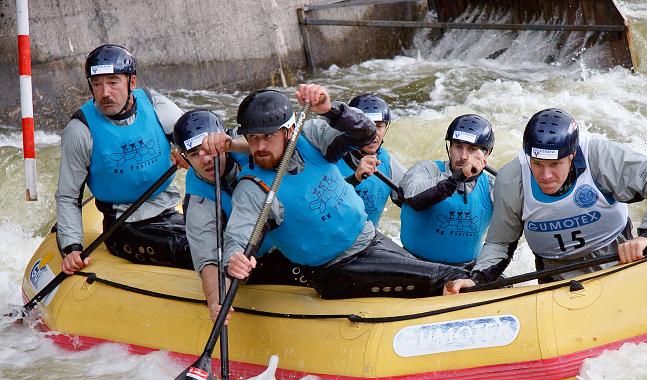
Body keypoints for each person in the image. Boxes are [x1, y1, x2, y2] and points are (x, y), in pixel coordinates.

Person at [200, 84, 469, 299]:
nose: (260, 147)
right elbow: (238, 237)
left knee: (450, 276)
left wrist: (330, 110)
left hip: (370, 241)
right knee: (448, 277)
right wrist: (233, 262)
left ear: (289, 131)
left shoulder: (310, 137)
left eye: (268, 136)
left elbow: (364, 135)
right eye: (253, 138)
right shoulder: (253, 189)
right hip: (337, 270)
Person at [444, 108, 647, 294]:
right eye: (537, 164)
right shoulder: (511, 179)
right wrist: (475, 279)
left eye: (555, 164)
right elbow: (500, 244)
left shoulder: (600, 157)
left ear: (572, 155)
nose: (545, 175)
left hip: (618, 261)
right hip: (555, 276)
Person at [56, 44, 193, 274]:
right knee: (195, 249)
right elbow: (68, 196)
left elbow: (195, 139)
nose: (104, 93)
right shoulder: (80, 130)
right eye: (97, 84)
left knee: (219, 237)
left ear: (132, 82)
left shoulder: (156, 105)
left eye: (113, 82)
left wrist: (191, 156)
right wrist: (71, 247)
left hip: (168, 212)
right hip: (124, 226)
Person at [173, 109, 304, 321]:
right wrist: (216, 300)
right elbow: (208, 258)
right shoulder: (198, 201)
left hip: (288, 233)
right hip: (247, 260)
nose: (206, 159)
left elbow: (293, 147)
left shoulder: (249, 145)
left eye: (209, 148)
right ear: (184, 158)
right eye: (195, 154)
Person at [399, 114, 495, 266]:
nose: (463, 156)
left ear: (486, 153)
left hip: (464, 269)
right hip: (413, 264)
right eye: (458, 146)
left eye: (471, 149)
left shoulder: (492, 186)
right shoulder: (425, 169)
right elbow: (415, 200)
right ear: (449, 147)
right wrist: (460, 176)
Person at [335, 94, 405, 228]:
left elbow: (413, 199)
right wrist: (355, 179)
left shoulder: (387, 162)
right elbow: (321, 202)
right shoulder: (332, 155)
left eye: (378, 126)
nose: (373, 133)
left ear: (386, 128)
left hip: (367, 241)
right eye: (366, 125)